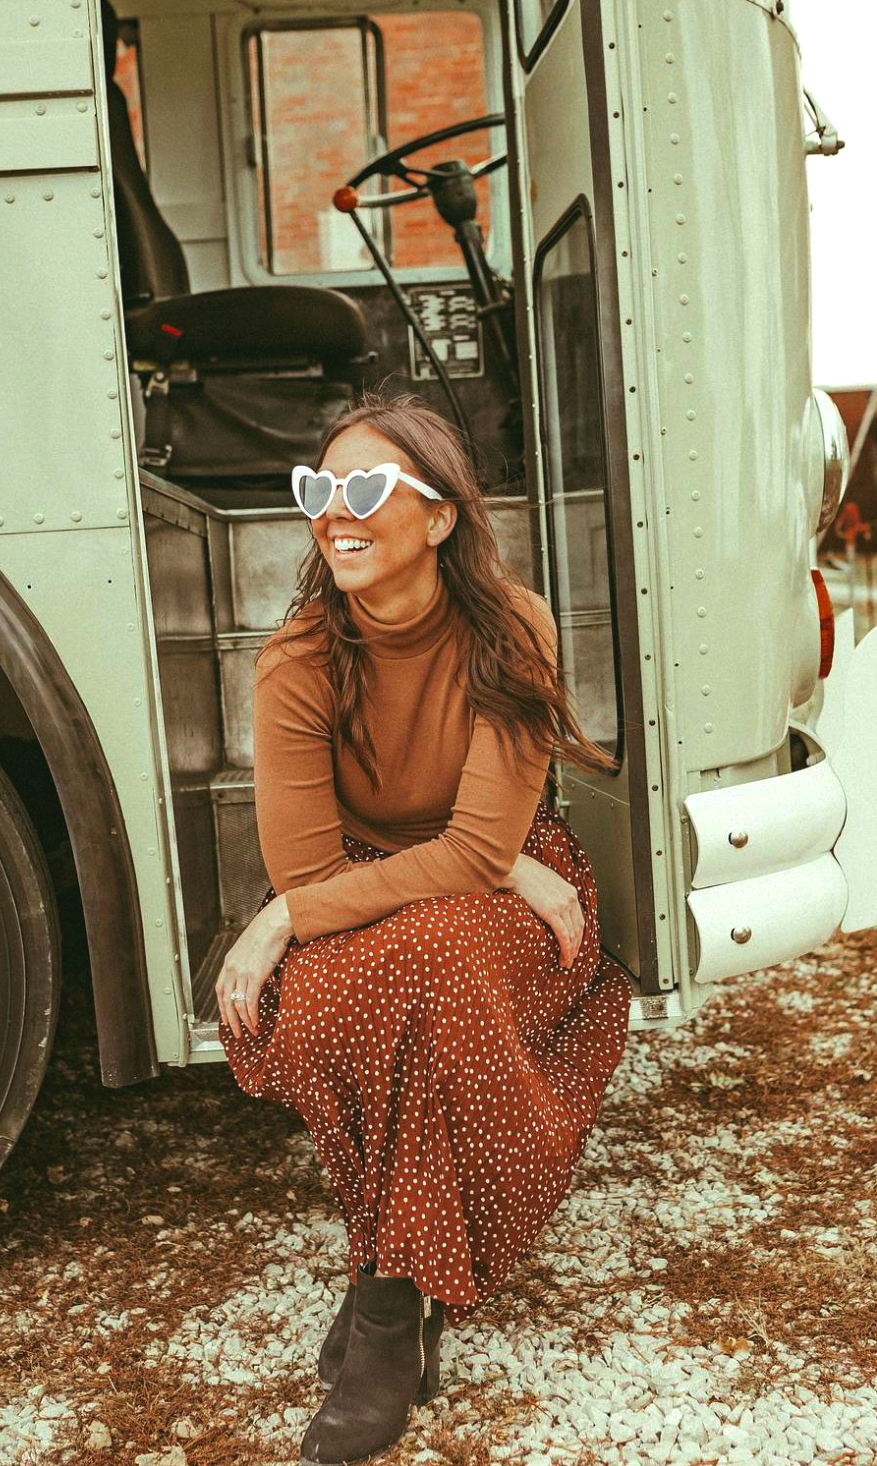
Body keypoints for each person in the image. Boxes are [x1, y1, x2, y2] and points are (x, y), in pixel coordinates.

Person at [216, 388, 632, 1465]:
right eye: (319, 489)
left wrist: (283, 923)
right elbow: (309, 867)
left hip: (497, 889)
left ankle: (385, 1320)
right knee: (344, 1001)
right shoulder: (297, 661)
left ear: (439, 516)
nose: (333, 513)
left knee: (441, 958)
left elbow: (476, 849)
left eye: (362, 488)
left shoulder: (512, 624)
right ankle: (401, 1293)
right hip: (385, 887)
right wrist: (301, 909)